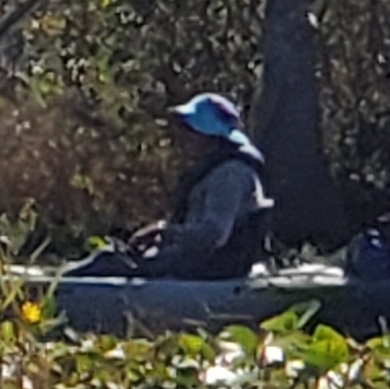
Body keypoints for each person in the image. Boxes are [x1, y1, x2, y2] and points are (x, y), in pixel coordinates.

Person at [94, 92, 272, 280]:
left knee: (109, 261)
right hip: (200, 263)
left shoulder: (229, 176)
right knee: (112, 257)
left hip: (211, 270)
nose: (182, 137)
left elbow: (213, 235)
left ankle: (65, 290)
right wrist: (162, 231)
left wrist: (166, 233)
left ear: (206, 135)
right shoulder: (218, 169)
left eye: (189, 130)